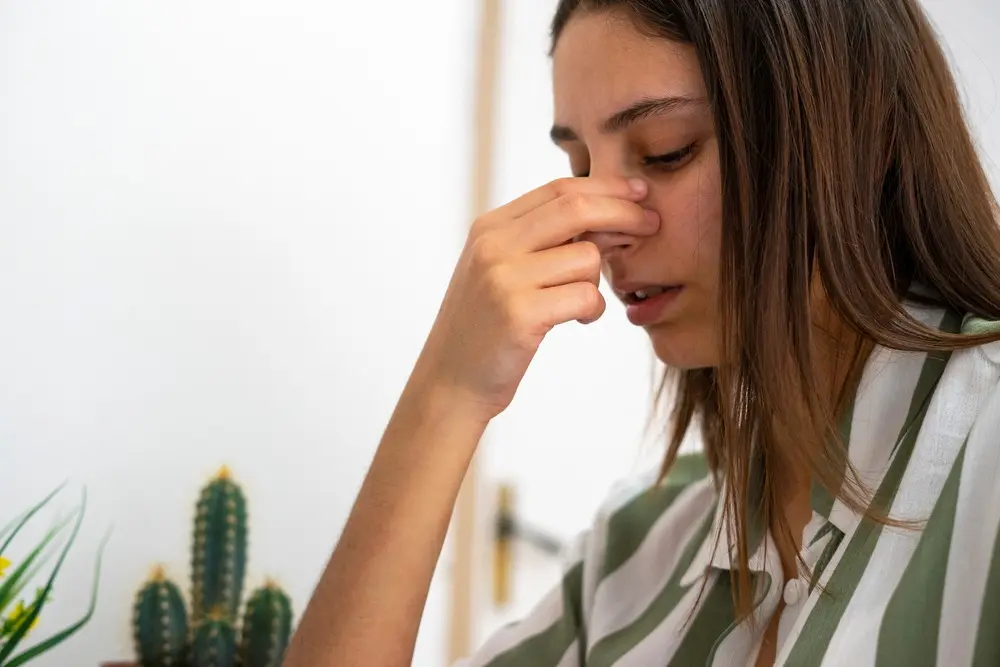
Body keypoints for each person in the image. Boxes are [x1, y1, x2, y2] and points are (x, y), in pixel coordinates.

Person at [282, 0, 1000, 665]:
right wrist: (446, 393)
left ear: (859, 131)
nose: (597, 223)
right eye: (578, 166)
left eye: (665, 150)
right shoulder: (632, 557)